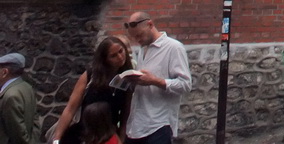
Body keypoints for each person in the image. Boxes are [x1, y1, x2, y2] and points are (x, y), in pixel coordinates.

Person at [123, 12, 192, 144]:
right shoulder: (143, 49)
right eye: (135, 38)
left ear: (150, 24)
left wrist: (154, 81)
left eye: (140, 35)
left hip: (160, 123)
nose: (138, 40)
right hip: (137, 123)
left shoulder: (173, 47)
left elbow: (185, 84)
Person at [50, 36, 133, 144]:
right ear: (105, 59)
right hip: (83, 133)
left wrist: (121, 139)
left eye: (121, 51)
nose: (120, 57)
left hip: (108, 136)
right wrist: (56, 139)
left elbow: (125, 115)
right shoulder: (91, 75)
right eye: (113, 55)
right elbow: (70, 109)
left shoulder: (128, 78)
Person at [0, 52, 36, 144]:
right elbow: (35, 121)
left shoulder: (11, 96)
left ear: (4, 72)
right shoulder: (26, 87)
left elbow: (17, 135)